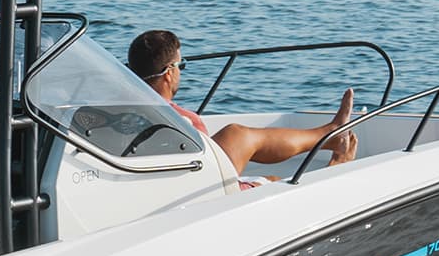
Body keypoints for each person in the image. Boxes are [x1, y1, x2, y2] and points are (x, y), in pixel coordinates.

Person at [127, 29, 358, 170]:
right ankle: (332, 147)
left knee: (269, 177)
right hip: (193, 193)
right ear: (169, 73)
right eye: (181, 65)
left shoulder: (117, 113)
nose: (180, 72)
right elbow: (206, 171)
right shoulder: (182, 121)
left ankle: (329, 137)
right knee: (237, 136)